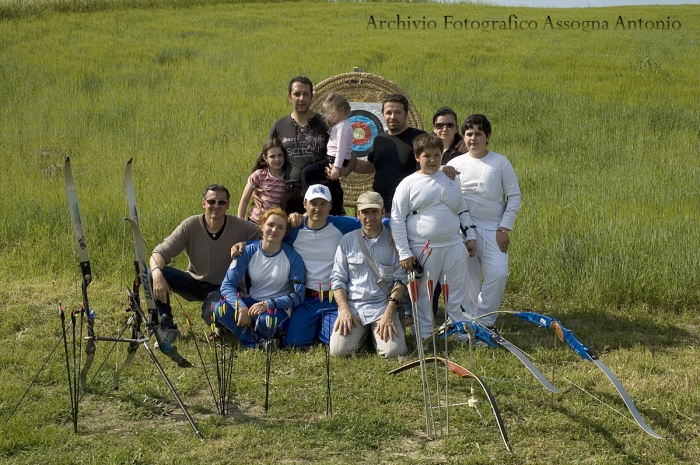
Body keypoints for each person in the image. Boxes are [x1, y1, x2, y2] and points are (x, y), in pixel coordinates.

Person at [150, 184, 261, 364]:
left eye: (221, 202)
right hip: (195, 282)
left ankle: (221, 325)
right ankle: (167, 327)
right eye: (211, 201)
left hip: (225, 287)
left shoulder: (241, 226)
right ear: (203, 203)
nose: (216, 205)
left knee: (210, 312)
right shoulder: (190, 225)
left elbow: (269, 237)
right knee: (154, 272)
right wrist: (156, 275)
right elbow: (159, 253)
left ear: (228, 205)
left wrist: (245, 244)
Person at [390, 134, 477, 342]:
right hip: (423, 248)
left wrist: (470, 236)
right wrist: (404, 252)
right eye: (426, 156)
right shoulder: (407, 184)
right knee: (423, 297)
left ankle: (462, 334)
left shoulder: (451, 179)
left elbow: (462, 209)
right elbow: (397, 219)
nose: (432, 160)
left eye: (437, 155)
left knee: (457, 293)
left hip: (454, 245)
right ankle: (425, 337)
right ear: (417, 157)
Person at [447, 114, 521, 330]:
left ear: (487, 136)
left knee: (498, 275)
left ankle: (485, 321)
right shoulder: (454, 164)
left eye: (478, 134)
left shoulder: (500, 161)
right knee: (467, 280)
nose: (473, 139)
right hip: (463, 232)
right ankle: (467, 322)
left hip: (494, 229)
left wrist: (504, 227)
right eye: (469, 134)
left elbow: (514, 196)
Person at [282, 184, 364, 348]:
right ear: (305, 204)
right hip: (306, 299)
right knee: (294, 343)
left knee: (334, 341)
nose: (318, 208)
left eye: (323, 203)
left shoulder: (341, 225)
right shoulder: (293, 229)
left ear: (330, 206)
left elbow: (375, 221)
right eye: (313, 203)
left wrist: (390, 232)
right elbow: (267, 234)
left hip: (334, 298)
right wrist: (242, 245)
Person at [330, 191, 407, 358]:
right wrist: (344, 310)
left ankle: (374, 335)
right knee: (338, 352)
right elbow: (337, 280)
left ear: (382, 212)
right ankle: (366, 334)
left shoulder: (394, 243)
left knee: (394, 353)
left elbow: (401, 282)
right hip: (354, 308)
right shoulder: (347, 241)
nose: (369, 217)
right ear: (357, 214)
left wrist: (389, 314)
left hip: (383, 307)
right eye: (365, 212)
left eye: (374, 211)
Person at [217, 208, 305, 348]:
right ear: (262, 227)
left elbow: (298, 296)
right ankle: (257, 343)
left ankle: (252, 332)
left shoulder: (293, 258)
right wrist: (241, 308)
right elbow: (227, 285)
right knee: (219, 308)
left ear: (285, 233)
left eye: (280, 227)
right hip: (251, 301)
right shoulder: (246, 251)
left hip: (277, 307)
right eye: (270, 225)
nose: (274, 230)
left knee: (266, 322)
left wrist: (268, 304)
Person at [269, 76, 355, 215]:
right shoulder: (279, 126)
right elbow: (268, 159)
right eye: (297, 94)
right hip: (294, 193)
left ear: (312, 97)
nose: (301, 98)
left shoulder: (327, 123)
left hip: (326, 190)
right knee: (291, 236)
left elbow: (350, 155)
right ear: (289, 97)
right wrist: (258, 188)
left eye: (306, 94)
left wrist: (344, 170)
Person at [353, 93, 426, 215]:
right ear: (383, 115)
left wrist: (459, 141)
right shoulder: (379, 139)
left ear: (406, 114)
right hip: (381, 209)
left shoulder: (419, 138)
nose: (393, 116)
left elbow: (438, 152)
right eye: (388, 113)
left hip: (409, 209)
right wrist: (346, 154)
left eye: (397, 112)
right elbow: (369, 166)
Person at [301, 92, 353, 211]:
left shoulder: (343, 127)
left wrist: (336, 167)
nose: (328, 117)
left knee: (307, 173)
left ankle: (307, 200)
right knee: (332, 184)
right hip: (331, 159)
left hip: (334, 160)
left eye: (331, 113)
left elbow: (341, 148)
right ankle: (335, 207)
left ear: (341, 110)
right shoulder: (341, 125)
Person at [238, 138, 287, 223]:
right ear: (265, 158)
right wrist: (239, 222)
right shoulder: (259, 175)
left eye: (280, 155)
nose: (277, 159)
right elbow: (244, 200)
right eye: (272, 156)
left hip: (274, 224)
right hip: (255, 221)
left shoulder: (288, 178)